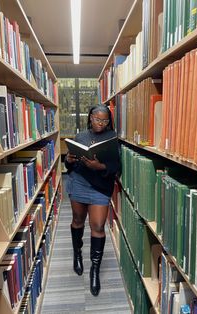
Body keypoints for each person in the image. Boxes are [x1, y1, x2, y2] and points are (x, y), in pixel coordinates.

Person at [64, 104, 121, 297]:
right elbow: (69, 162)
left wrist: (99, 166)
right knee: (78, 220)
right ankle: (77, 254)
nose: (100, 123)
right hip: (79, 181)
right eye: (97, 119)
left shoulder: (112, 138)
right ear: (90, 118)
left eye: (104, 120)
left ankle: (94, 270)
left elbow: (115, 167)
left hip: (100, 186)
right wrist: (69, 161)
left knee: (97, 226)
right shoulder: (81, 136)